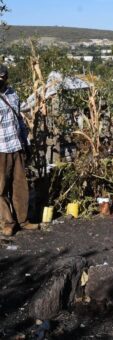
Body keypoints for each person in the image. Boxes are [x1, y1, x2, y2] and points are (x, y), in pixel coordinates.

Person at [0, 64, 38, 236]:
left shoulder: (13, 94)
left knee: (20, 186)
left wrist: (26, 144)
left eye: (2, 77)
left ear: (6, 77)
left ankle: (23, 220)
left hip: (16, 147)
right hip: (0, 149)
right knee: (0, 189)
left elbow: (20, 121)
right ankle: (7, 222)